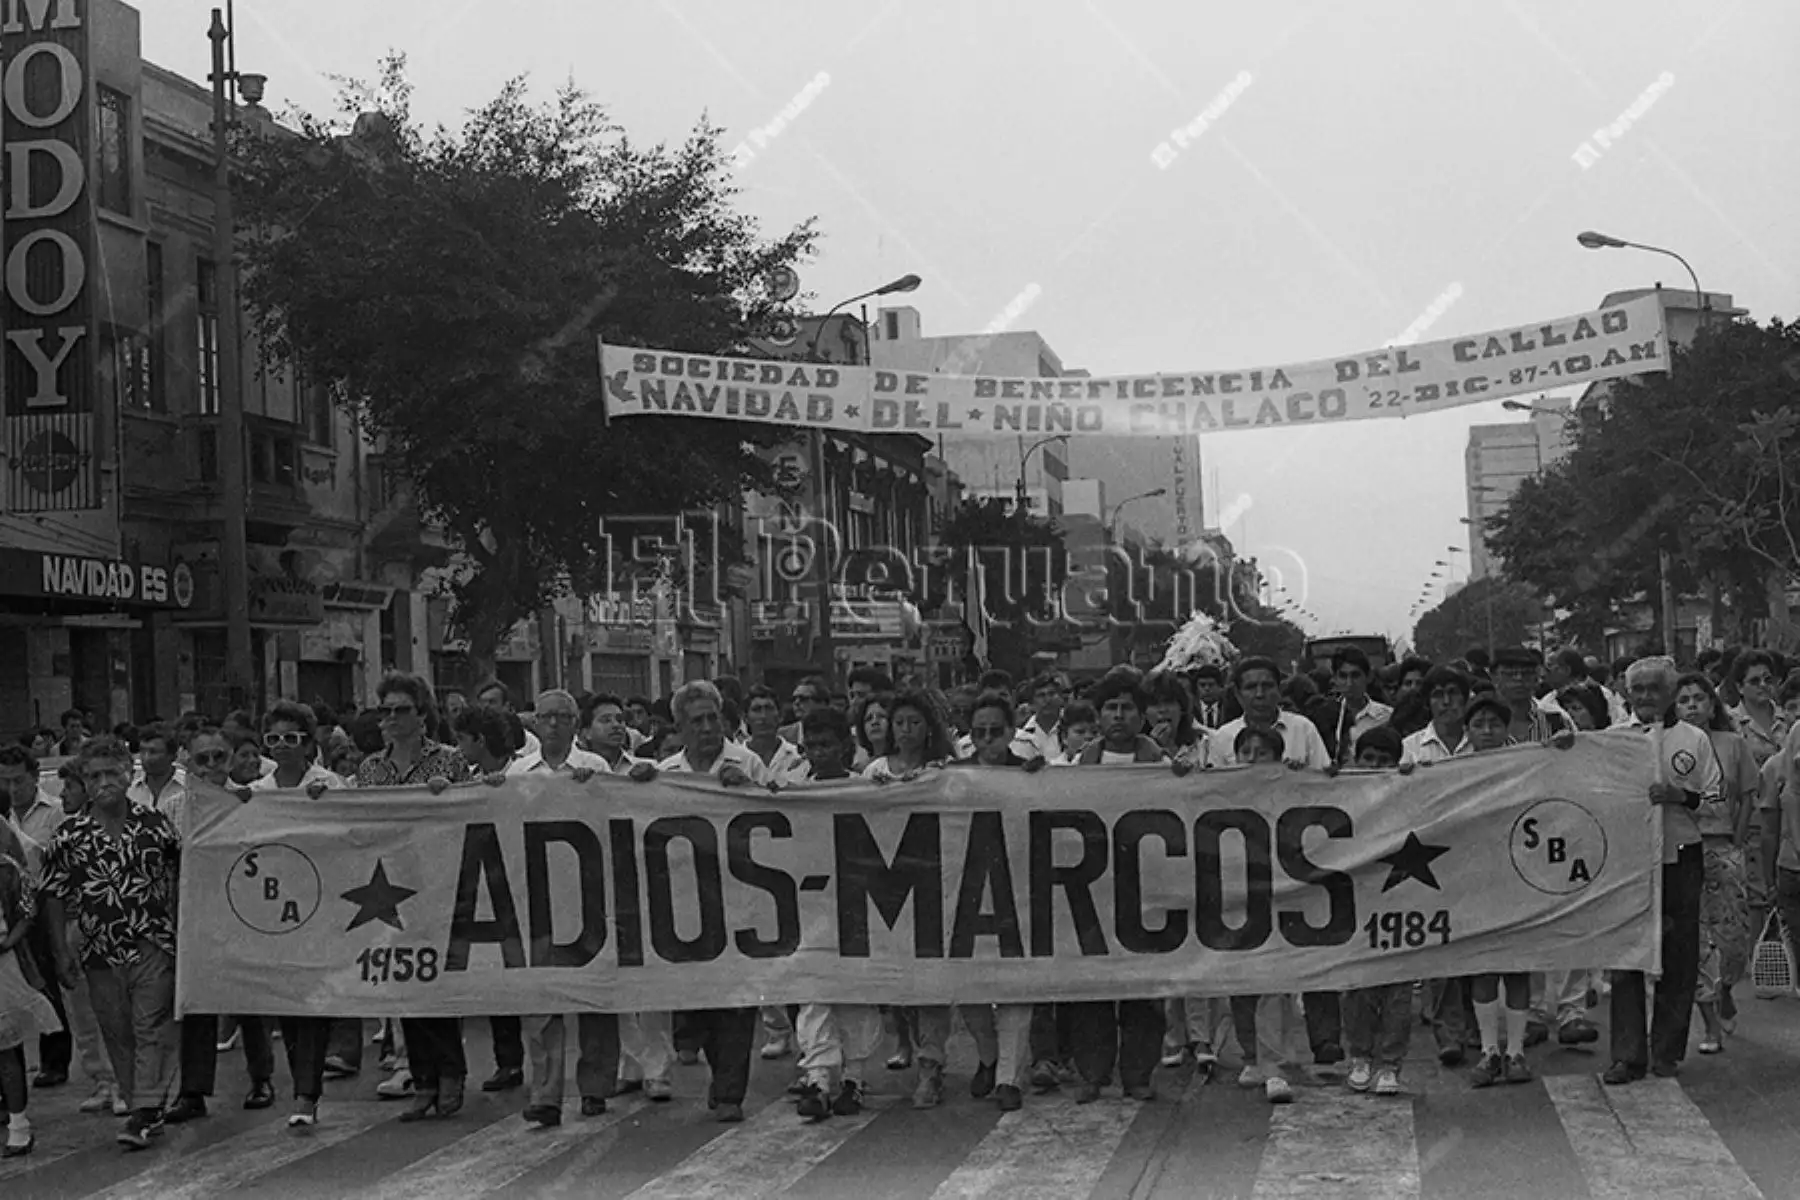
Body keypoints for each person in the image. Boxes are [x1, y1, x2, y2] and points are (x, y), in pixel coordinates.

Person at [627, 680, 768, 1123]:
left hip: (741, 898)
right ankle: (712, 1060)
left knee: (738, 1002)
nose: (708, 728)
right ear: (680, 727)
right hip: (686, 906)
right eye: (697, 721)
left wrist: (748, 790)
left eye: (714, 718)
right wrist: (636, 790)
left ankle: (730, 1092)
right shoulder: (665, 771)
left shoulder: (748, 762)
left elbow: (781, 815)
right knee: (698, 1001)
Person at [41, 736, 181, 1150]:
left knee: (151, 1026)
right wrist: (60, 952)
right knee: (118, 1032)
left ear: (128, 774)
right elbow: (52, 892)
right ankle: (143, 1103)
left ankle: (144, 1111)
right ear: (84, 781)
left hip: (152, 943)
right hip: (99, 951)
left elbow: (186, 873)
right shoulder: (69, 835)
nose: (104, 782)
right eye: (95, 775)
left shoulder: (155, 825)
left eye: (112, 773)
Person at [356, 675, 469, 1117]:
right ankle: (421, 1078)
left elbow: (476, 808)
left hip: (440, 883)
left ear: (421, 714)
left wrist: (449, 797)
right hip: (387, 888)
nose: (391, 719)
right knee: (407, 985)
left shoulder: (452, 762)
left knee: (439, 984)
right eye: (384, 711)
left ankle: (451, 1073)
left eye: (400, 710)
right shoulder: (369, 769)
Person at [1607, 656, 1721, 1086]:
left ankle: (1667, 1050)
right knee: (1626, 955)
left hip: (1680, 855)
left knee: (1678, 956)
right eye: (1638, 690)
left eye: (1655, 689)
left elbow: (1717, 800)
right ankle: (1626, 1054)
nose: (1646, 697)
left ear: (1671, 693)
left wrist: (1682, 796)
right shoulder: (1612, 740)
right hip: (1628, 859)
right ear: (1627, 694)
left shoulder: (1694, 740)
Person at [164, 726, 282, 1125]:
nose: (212, 765)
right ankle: (193, 1090)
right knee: (194, 1002)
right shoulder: (173, 808)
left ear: (231, 758)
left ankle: (262, 1078)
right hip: (194, 914)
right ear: (187, 762)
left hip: (244, 910)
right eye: (203, 759)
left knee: (250, 999)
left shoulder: (254, 801)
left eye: (219, 756)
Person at [1065, 674, 1165, 1104]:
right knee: (1092, 991)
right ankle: (1093, 1073)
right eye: (1110, 708)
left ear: (1142, 716)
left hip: (1148, 892)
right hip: (1093, 893)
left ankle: (1138, 1073)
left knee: (1143, 992)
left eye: (1127, 708)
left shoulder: (1165, 768)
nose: (1119, 716)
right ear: (1099, 716)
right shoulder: (1073, 769)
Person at [789, 707, 879, 1122]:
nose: (819, 753)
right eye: (812, 746)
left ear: (846, 746)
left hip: (860, 905)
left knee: (856, 996)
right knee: (814, 994)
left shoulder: (868, 789)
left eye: (827, 745)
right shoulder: (792, 789)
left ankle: (854, 1079)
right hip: (810, 907)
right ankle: (819, 1078)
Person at [1673, 673, 1758, 1055]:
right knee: (1697, 944)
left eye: (1698, 698)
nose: (1691, 705)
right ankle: (1709, 1025)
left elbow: (1747, 796)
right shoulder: (1666, 745)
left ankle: (1726, 988)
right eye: (1683, 699)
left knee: (1734, 939)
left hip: (1724, 849)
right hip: (1682, 849)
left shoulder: (1733, 744)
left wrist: (1737, 841)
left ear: (1712, 704)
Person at [1342, 726, 1411, 1097]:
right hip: (1356, 900)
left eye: (1383, 761)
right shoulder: (1337, 793)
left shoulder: (1412, 792)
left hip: (1401, 899)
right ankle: (1360, 1057)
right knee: (1358, 986)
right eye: (1367, 759)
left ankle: (1390, 1064)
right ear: (1356, 759)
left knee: (1398, 988)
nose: (1374, 766)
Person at [0, 833, 59, 1158]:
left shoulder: (6, 869)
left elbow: (28, 908)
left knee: (6, 1046)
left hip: (3, 966)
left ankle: (19, 1126)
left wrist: (10, 943)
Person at [1310, 647, 1393, 765]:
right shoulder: (1323, 716)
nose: (1349, 683)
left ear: (1368, 677)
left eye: (1356, 675)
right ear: (1334, 679)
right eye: (1343, 676)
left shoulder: (1387, 716)